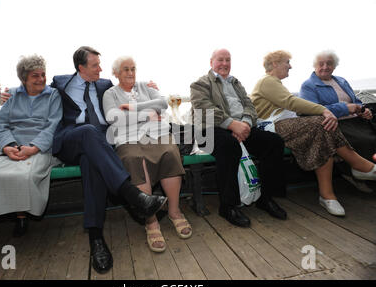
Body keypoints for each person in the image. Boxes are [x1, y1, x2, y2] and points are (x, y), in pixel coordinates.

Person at [49, 47, 167, 274]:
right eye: (95, 66)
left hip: (99, 143)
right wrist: (10, 93)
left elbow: (129, 85)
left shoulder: (104, 85)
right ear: (81, 68)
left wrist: (151, 88)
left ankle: (96, 239)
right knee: (88, 131)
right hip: (71, 137)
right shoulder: (61, 82)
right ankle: (133, 196)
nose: (100, 69)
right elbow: (34, 87)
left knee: (91, 162)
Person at [250, 50, 376, 217]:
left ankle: (328, 195)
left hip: (284, 124)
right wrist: (324, 110)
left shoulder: (275, 83)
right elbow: (290, 102)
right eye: (287, 62)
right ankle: (359, 167)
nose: (290, 66)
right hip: (271, 128)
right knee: (321, 123)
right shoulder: (267, 81)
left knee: (322, 132)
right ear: (275, 64)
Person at [190, 48, 287, 228]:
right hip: (210, 130)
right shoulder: (200, 84)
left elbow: (249, 105)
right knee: (229, 145)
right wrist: (231, 124)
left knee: (274, 143)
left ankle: (265, 198)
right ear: (211, 62)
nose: (225, 64)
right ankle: (228, 206)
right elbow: (204, 109)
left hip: (241, 127)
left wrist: (245, 124)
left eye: (228, 60)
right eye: (220, 60)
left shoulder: (236, 83)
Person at [103, 56, 191, 253]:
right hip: (128, 139)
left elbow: (162, 104)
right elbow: (113, 117)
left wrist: (133, 109)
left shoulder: (146, 86)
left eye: (133, 68)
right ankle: (150, 221)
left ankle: (174, 211)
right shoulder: (110, 94)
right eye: (125, 69)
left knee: (169, 152)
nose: (130, 72)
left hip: (157, 133)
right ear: (116, 73)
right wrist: (147, 114)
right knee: (134, 159)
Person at [0, 55, 62, 237]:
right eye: (35, 75)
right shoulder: (13, 96)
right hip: (14, 145)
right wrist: (8, 146)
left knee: (25, 175)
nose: (41, 79)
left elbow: (54, 125)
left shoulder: (53, 95)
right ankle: (18, 214)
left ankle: (21, 217)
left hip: (41, 147)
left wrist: (34, 147)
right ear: (24, 78)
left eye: (43, 74)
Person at [300, 50, 376, 192]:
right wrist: (345, 108)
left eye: (329, 63)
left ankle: (369, 173)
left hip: (356, 121)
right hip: (335, 123)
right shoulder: (308, 85)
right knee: (363, 140)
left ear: (334, 66)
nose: (325, 67)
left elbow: (356, 101)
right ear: (314, 66)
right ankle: (355, 175)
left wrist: (364, 110)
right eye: (321, 63)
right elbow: (312, 109)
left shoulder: (341, 81)